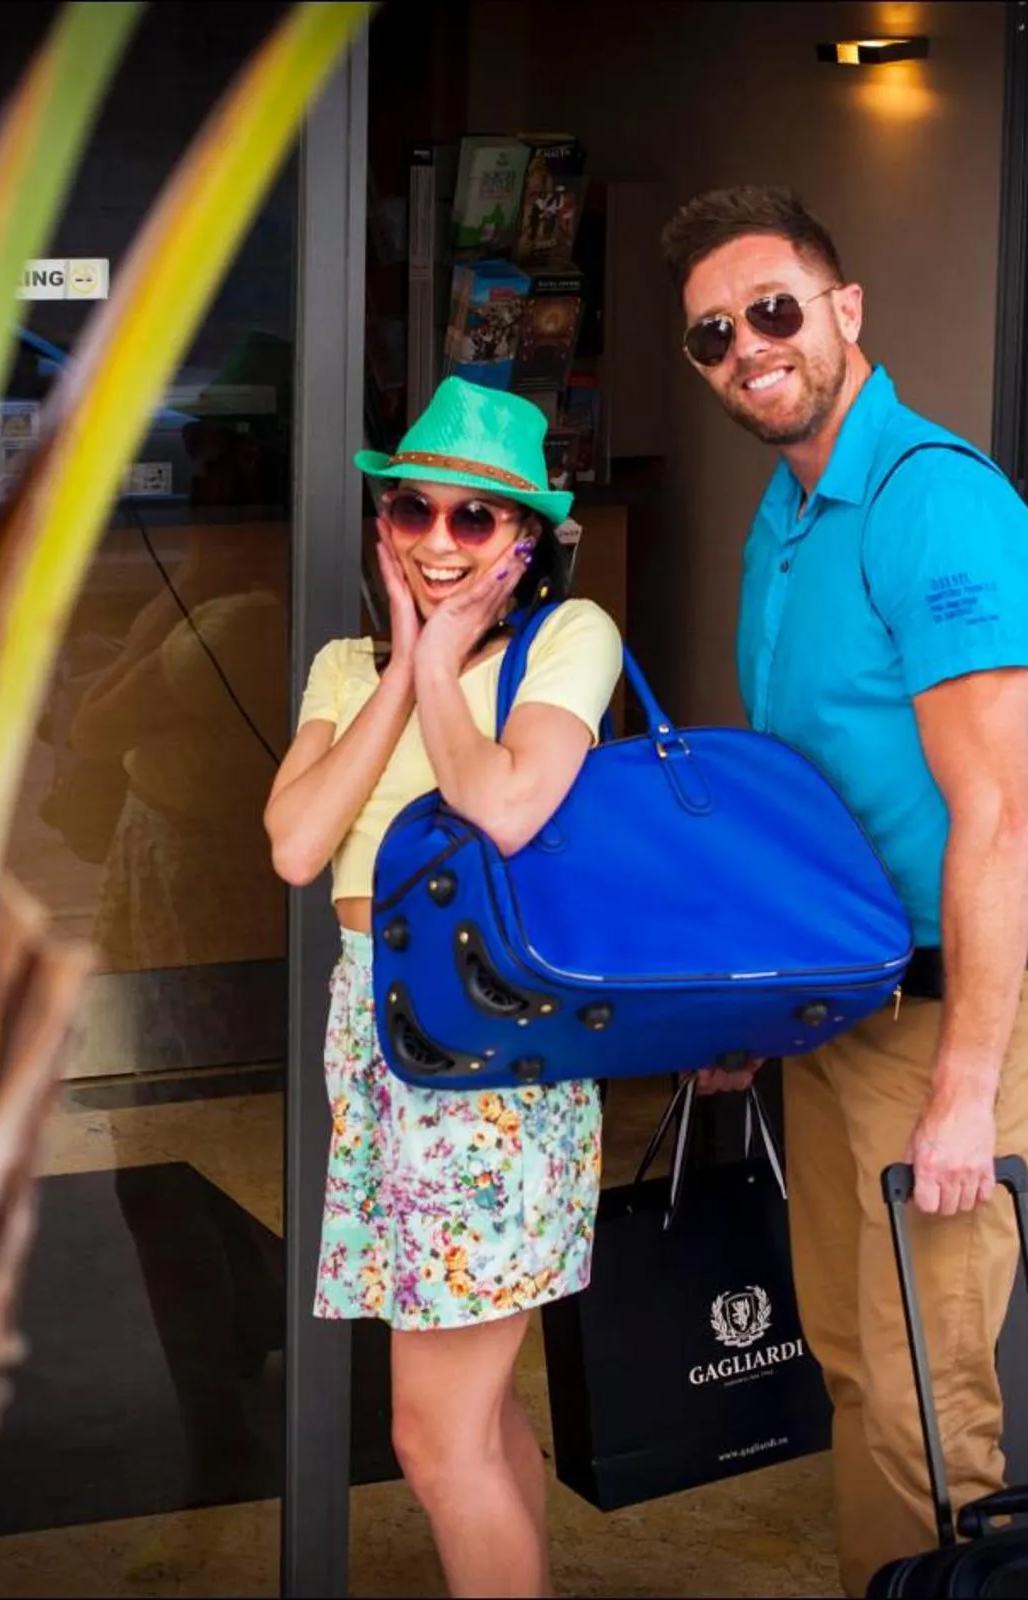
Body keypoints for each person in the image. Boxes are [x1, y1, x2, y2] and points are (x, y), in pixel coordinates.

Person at [661, 185, 1028, 1595]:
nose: (746, 348)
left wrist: (964, 1079)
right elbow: (796, 806)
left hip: (953, 1008)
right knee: (850, 1355)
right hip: (838, 1008)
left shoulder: (932, 507)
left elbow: (990, 812)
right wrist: (749, 1005)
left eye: (771, 310)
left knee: (925, 1392)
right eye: (712, 336)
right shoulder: (780, 520)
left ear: (845, 312)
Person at [264, 377, 622, 1599]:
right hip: (374, 1039)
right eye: (414, 508)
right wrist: (404, 664)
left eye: (475, 520)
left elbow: (507, 806)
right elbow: (298, 845)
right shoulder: (339, 666)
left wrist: (443, 669)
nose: (436, 539)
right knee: (477, 1418)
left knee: (433, 1434)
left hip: (491, 1049)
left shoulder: (566, 641)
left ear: (527, 544)